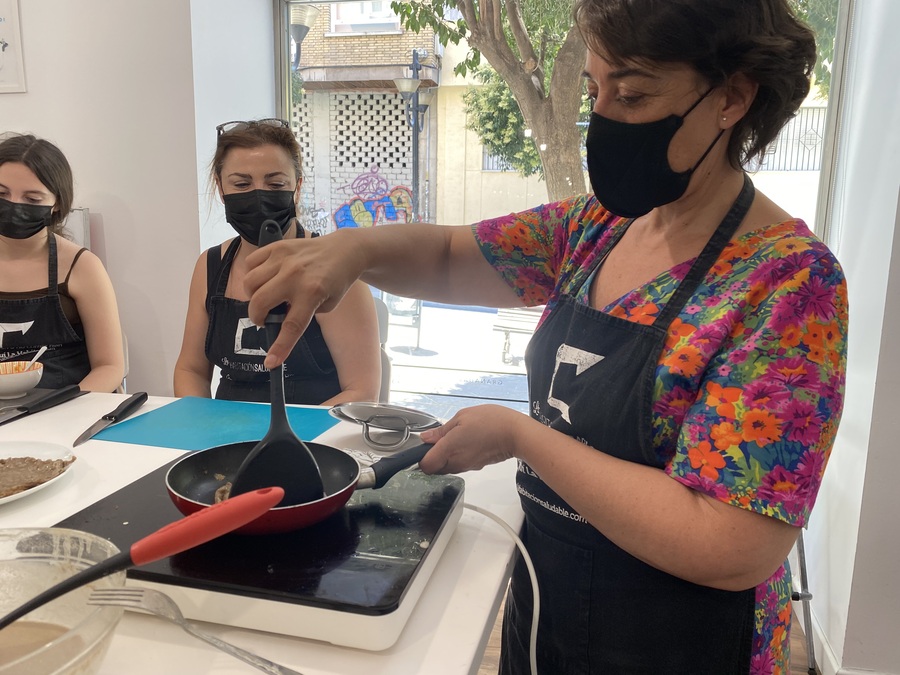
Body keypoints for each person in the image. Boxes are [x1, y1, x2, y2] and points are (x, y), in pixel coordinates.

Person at [242, 1, 848, 672]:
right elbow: (450, 256)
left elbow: (732, 545)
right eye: (594, 92)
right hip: (552, 605)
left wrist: (522, 436)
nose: (603, 117)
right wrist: (351, 250)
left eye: (632, 95)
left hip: (682, 640)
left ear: (732, 97)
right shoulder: (596, 229)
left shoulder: (790, 283)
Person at [174, 118, 381, 405]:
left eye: (275, 184)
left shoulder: (334, 270)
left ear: (297, 187)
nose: (259, 195)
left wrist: (289, 433)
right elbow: (191, 370)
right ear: (221, 189)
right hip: (227, 429)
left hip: (314, 430)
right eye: (242, 184)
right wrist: (205, 423)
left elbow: (362, 392)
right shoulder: (209, 267)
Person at [0, 133, 124, 392]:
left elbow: (110, 367)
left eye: (32, 199)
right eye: (2, 193)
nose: (14, 206)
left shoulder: (81, 266)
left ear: (57, 203)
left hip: (67, 406)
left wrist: (72, 409)